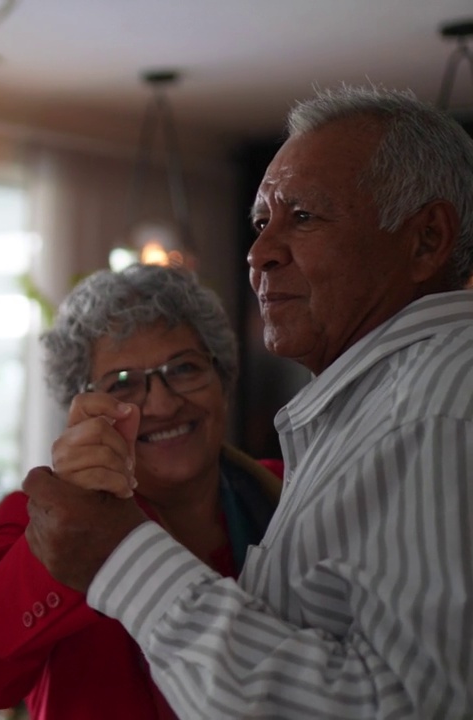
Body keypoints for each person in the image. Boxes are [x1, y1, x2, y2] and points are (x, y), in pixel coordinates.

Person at [23, 85, 473, 718]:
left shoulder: (432, 414)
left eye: (304, 217)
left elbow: (406, 705)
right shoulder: (377, 411)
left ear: (426, 240)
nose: (259, 253)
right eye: (263, 222)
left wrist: (123, 559)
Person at [0, 264, 282, 719]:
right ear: (83, 412)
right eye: (123, 385)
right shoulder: (45, 514)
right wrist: (68, 537)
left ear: (223, 380)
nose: (162, 403)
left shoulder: (290, 486)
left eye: (185, 368)